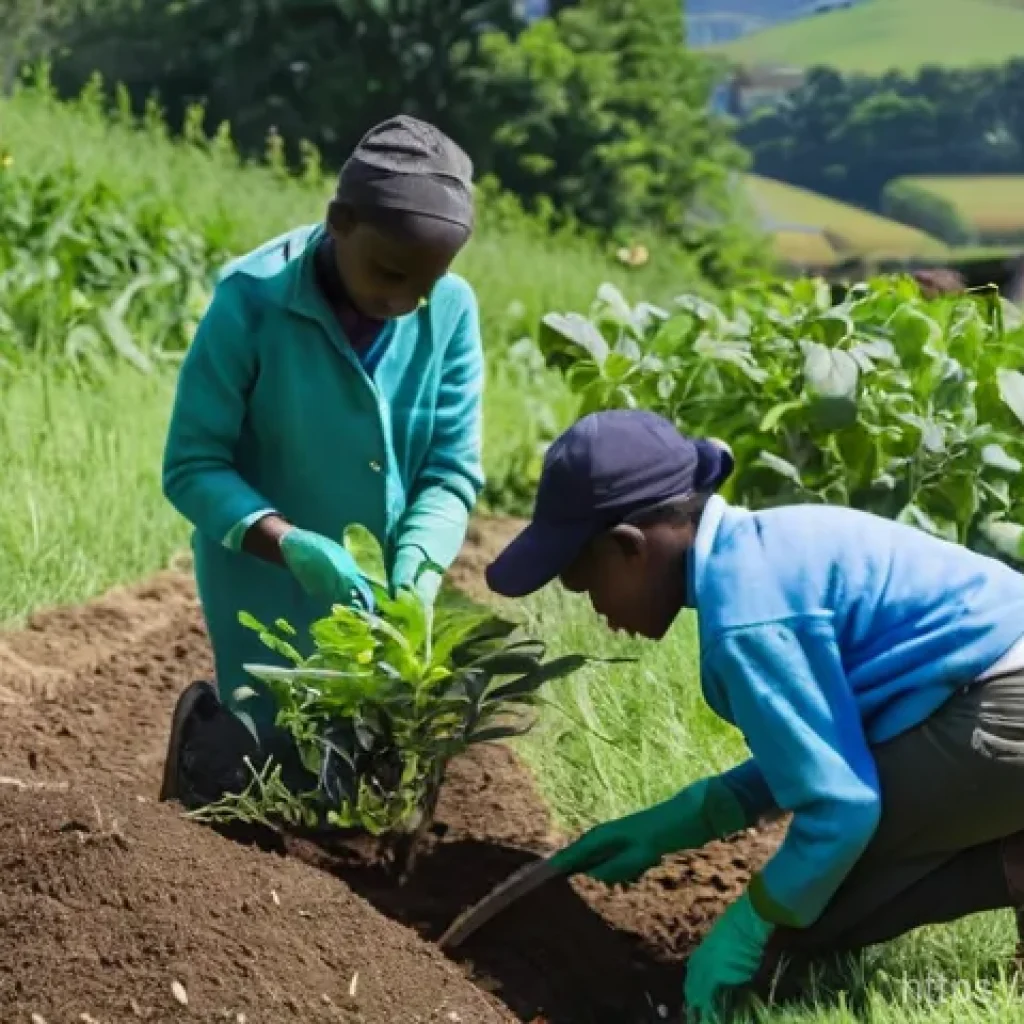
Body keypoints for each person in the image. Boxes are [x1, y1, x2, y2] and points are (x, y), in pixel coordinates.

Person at [485, 408, 1024, 1021]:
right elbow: (826, 747)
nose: (599, 612)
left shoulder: (746, 620)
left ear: (628, 548)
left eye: (587, 587)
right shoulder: (763, 548)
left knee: (803, 916)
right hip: (994, 692)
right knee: (810, 881)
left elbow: (841, 807)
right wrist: (682, 820)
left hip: (1006, 709)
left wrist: (748, 925)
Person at [158, 115, 484, 811]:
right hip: (261, 579)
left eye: (425, 285)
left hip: (384, 595)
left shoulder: (451, 313)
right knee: (257, 761)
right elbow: (192, 464)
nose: (404, 302)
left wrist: (419, 567)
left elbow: (451, 469)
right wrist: (290, 544)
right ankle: (206, 736)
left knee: (367, 773)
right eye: (389, 274)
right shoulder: (251, 299)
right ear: (339, 220)